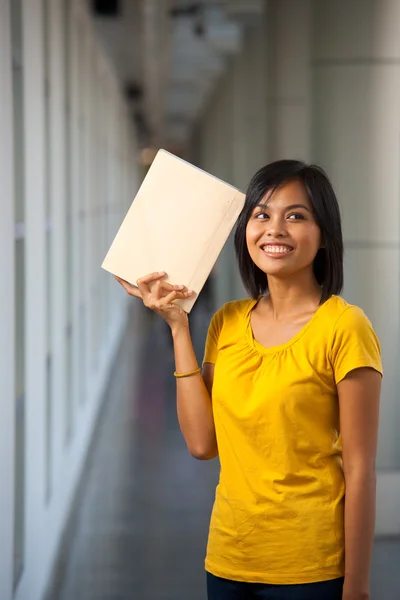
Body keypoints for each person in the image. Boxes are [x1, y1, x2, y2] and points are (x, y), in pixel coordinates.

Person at [115, 160, 382, 600]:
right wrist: (178, 328)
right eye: (261, 215)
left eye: (295, 216)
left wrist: (357, 586)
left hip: (312, 568)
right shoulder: (228, 322)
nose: (274, 229)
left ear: (324, 236)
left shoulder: (345, 327)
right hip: (228, 559)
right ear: (245, 231)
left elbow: (360, 470)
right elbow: (202, 444)